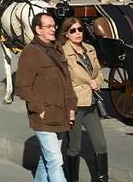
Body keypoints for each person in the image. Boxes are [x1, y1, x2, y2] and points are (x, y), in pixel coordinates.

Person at [15, 12, 77, 182]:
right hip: (44, 118)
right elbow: (22, 87)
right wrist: (39, 110)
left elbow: (67, 83)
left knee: (47, 160)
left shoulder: (56, 50)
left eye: (54, 26)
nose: (53, 29)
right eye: (48, 26)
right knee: (56, 162)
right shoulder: (30, 52)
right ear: (38, 29)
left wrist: (71, 107)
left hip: (61, 114)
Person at [59, 17, 108, 182]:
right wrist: (68, 108)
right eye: (72, 30)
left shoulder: (90, 49)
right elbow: (63, 83)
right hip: (75, 104)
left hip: (91, 103)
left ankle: (102, 179)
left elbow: (99, 72)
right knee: (74, 147)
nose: (77, 33)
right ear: (66, 34)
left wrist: (98, 81)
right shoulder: (63, 53)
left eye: (80, 29)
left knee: (101, 144)